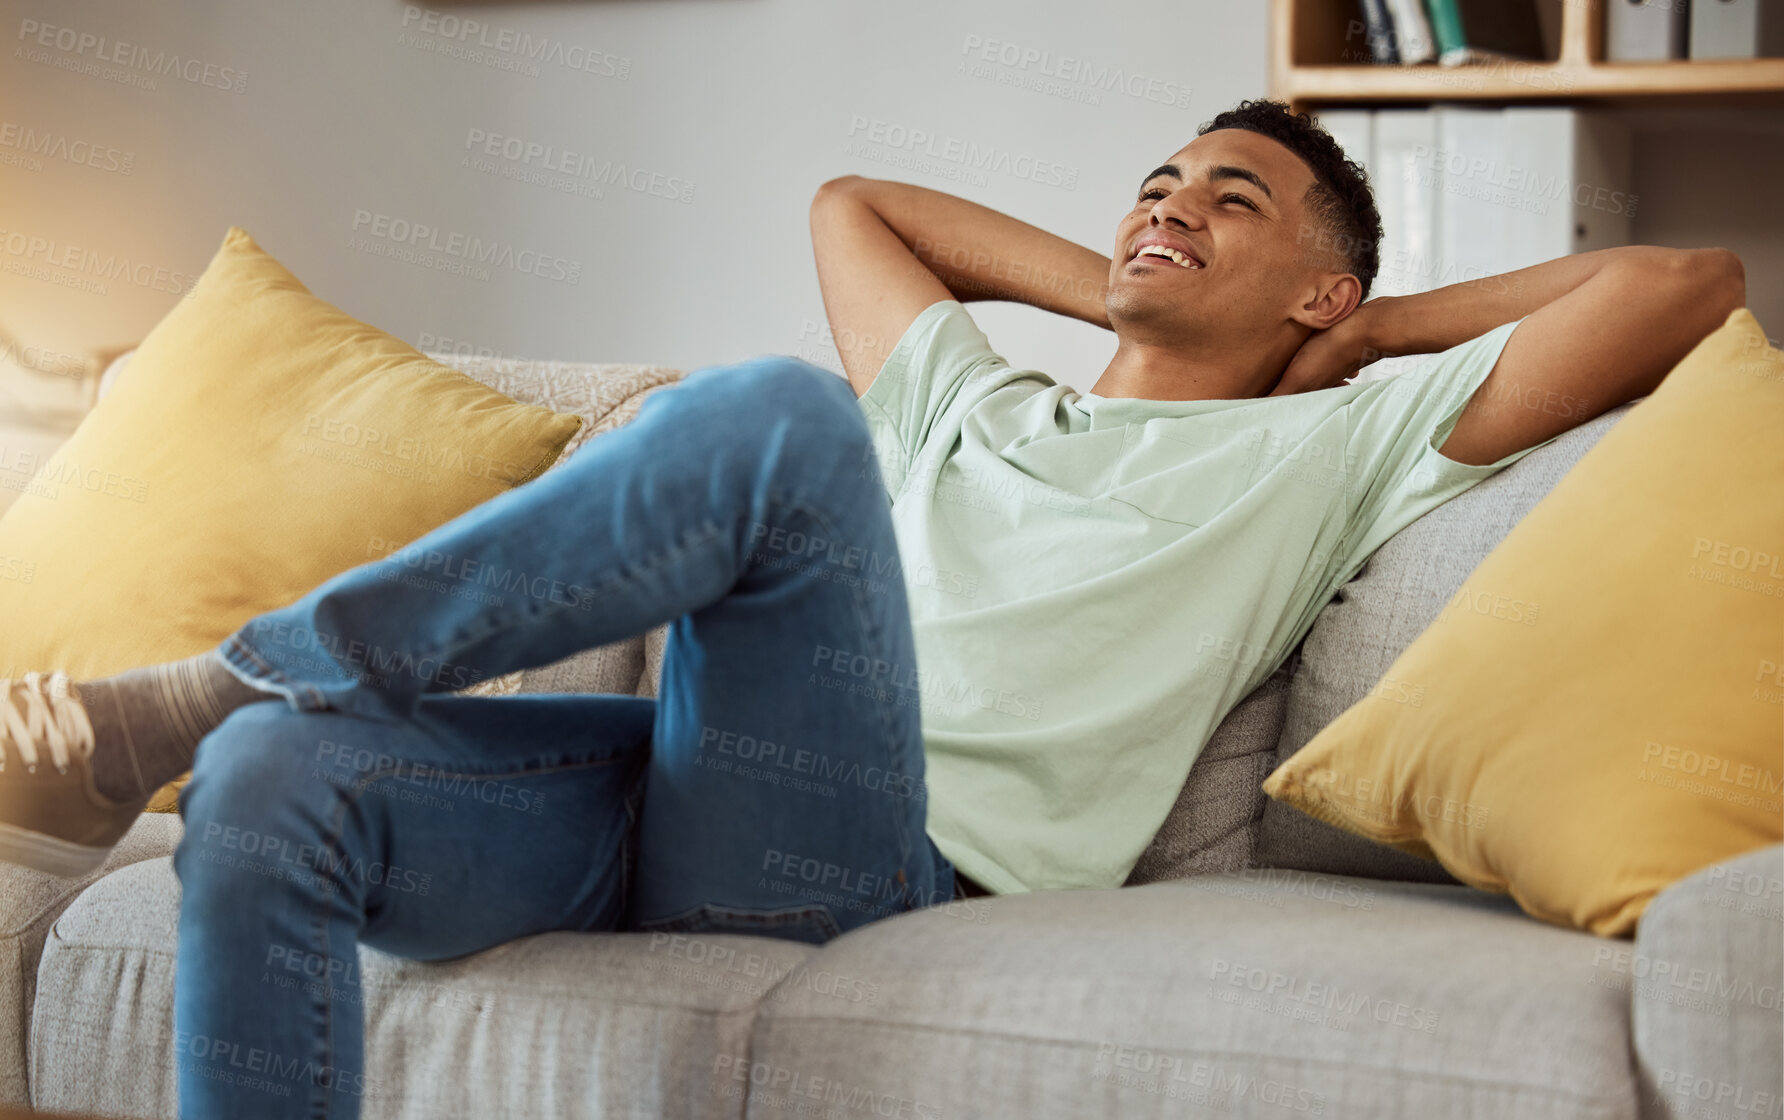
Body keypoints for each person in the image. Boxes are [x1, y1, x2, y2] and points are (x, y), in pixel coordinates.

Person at [0, 99, 1743, 1118]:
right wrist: (1148, 281)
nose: (1168, 204)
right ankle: (232, 728)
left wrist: (1347, 337)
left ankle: (222, 683)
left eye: (1235, 199)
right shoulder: (977, 403)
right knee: (269, 797)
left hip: (888, 848)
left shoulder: (1350, 433)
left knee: (769, 415)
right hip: (681, 782)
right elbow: (859, 204)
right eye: (1158, 182)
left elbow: (1682, 281)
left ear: (1329, 284)